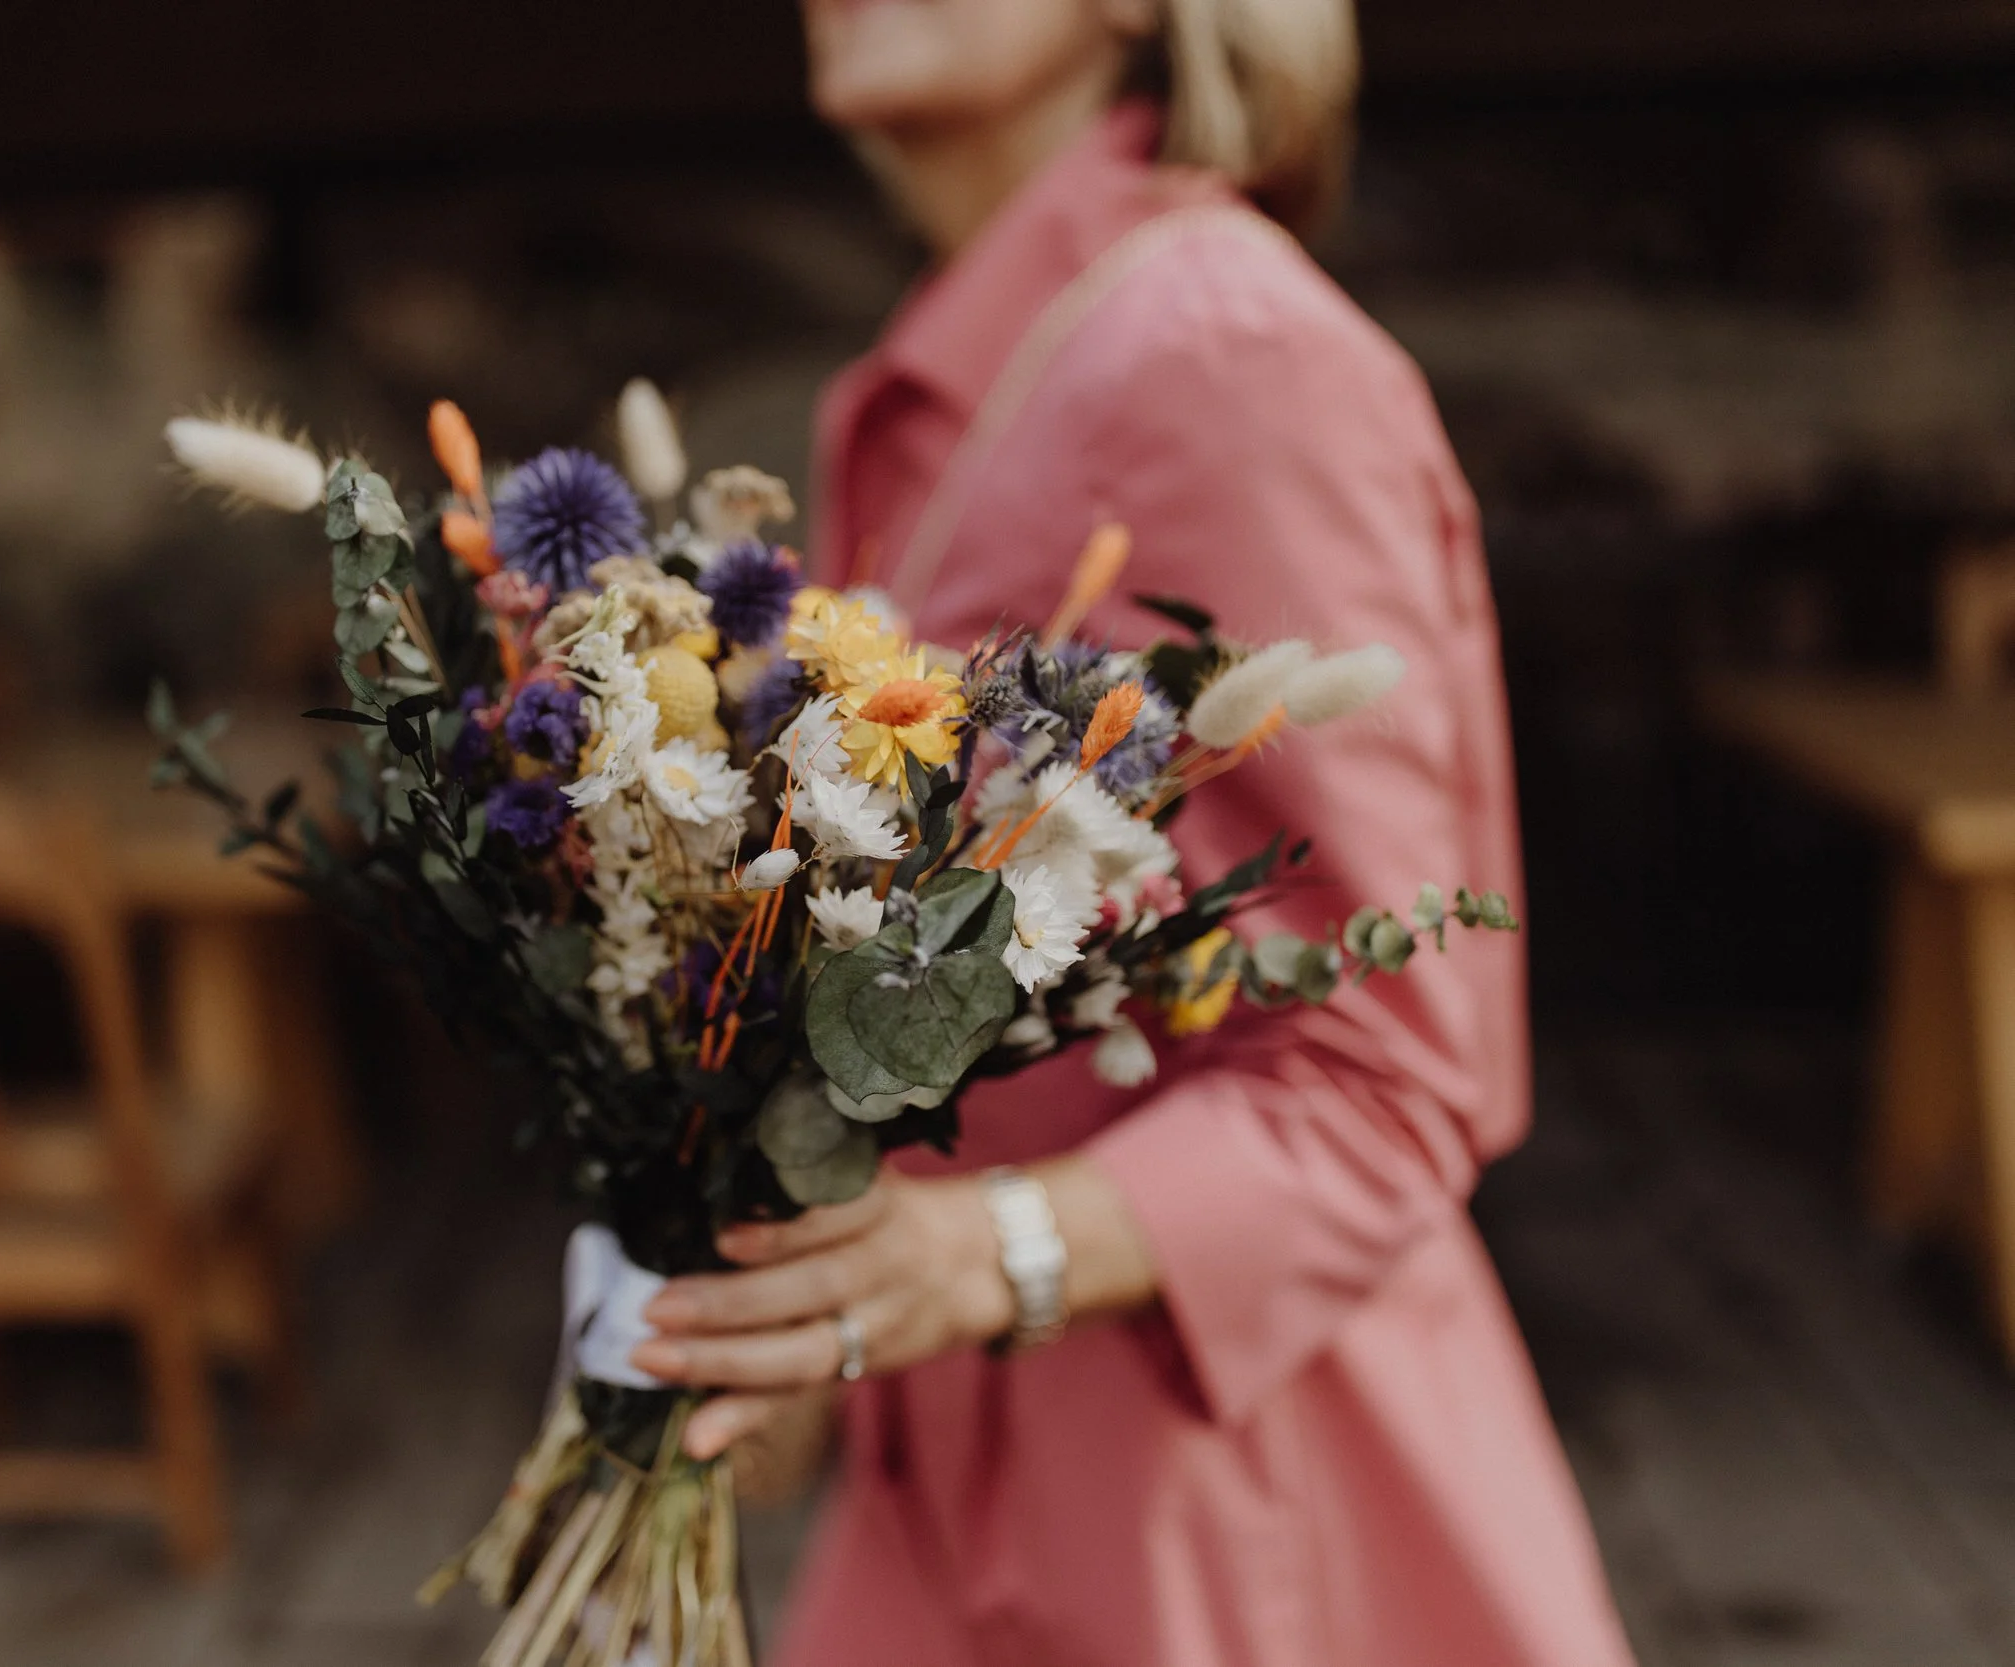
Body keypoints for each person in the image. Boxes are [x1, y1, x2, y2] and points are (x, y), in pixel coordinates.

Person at [627, 2, 1639, 1663]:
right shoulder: (948, 372)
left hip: (1219, 1522)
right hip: (951, 1482)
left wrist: (981, 1253)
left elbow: (1402, 1061)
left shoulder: (1227, 354)